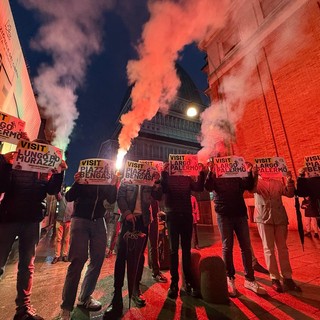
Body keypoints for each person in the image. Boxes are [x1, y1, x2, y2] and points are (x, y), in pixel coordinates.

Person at [0, 149, 66, 320]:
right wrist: (4, 164)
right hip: (9, 218)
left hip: (31, 220)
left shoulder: (44, 172)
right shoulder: (13, 165)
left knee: (27, 266)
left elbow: (52, 191)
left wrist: (59, 172)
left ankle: (23, 309)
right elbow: (2, 186)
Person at [59, 172, 117, 320]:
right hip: (80, 220)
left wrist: (112, 184)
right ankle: (66, 306)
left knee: (97, 260)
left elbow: (111, 200)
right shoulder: (83, 181)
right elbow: (69, 197)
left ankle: (85, 297)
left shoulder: (105, 181)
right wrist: (78, 182)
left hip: (98, 220)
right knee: (78, 261)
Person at [204, 159, 266, 297]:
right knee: (227, 246)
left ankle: (250, 279)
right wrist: (210, 172)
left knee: (246, 247)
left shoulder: (237, 175)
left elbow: (248, 185)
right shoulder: (215, 175)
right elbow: (208, 187)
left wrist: (249, 172)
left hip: (239, 214)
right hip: (224, 214)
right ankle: (230, 278)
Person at [103, 176, 162, 320]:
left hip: (143, 221)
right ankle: (117, 295)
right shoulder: (127, 178)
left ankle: (135, 289)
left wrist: (157, 182)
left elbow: (158, 196)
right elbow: (120, 196)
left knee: (139, 256)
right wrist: (127, 213)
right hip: (128, 221)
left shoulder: (149, 180)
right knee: (121, 257)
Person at [161, 162, 205, 299]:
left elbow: (198, 187)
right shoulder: (168, 176)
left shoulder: (187, 177)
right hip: (172, 216)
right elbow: (163, 189)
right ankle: (174, 283)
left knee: (186, 250)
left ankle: (188, 282)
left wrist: (202, 173)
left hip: (186, 216)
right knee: (173, 250)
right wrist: (164, 173)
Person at [252, 170, 301, 293]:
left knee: (283, 248)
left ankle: (287, 277)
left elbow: (289, 194)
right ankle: (274, 278)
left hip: (279, 217)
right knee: (268, 249)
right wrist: (253, 175)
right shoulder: (256, 182)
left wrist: (289, 181)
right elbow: (251, 189)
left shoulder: (278, 183)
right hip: (263, 218)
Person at [51, 190, 73, 264]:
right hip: (59, 221)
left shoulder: (73, 200)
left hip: (68, 221)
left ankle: (64, 255)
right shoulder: (61, 197)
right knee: (58, 238)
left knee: (66, 239)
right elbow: (56, 192)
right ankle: (57, 256)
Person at [148, 198, 168, 282]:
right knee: (140, 247)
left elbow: (158, 196)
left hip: (154, 215)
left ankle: (156, 272)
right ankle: (136, 275)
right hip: (141, 214)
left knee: (154, 245)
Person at [297, 168, 320, 238]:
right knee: (311, 220)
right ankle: (310, 231)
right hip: (313, 206)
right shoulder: (308, 182)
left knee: (314, 220)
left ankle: (315, 232)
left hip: (314, 205)